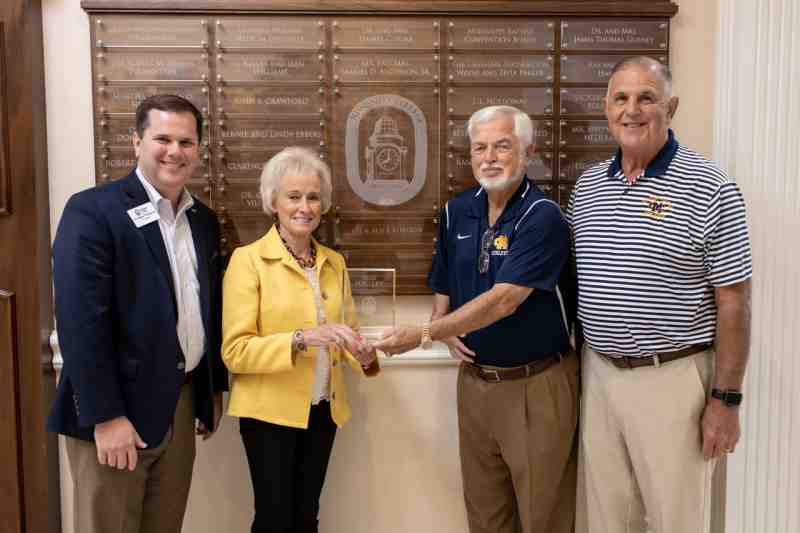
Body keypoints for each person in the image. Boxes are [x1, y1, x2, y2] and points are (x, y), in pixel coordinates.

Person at [567, 56, 753, 533]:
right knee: (607, 520)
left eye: (647, 97)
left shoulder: (712, 186)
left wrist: (725, 400)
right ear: (606, 108)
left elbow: (734, 300)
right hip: (601, 377)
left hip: (672, 380)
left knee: (677, 521)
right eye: (621, 98)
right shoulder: (587, 188)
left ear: (670, 107)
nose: (633, 110)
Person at [375, 105, 578, 533]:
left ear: (528, 151)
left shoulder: (543, 216)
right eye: (479, 148)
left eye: (502, 146)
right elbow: (445, 280)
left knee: (543, 518)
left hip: (536, 387)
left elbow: (505, 299)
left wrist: (427, 333)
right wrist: (442, 322)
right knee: (485, 518)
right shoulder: (456, 210)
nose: (489, 158)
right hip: (476, 385)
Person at [47, 94, 228, 533]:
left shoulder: (202, 220)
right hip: (116, 412)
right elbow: (80, 321)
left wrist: (210, 392)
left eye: (186, 142)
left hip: (180, 408)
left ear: (198, 150)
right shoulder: (93, 211)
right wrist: (106, 417)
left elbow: (208, 309)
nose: (174, 151)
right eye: (162, 138)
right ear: (136, 142)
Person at [222, 146, 380, 533]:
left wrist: (366, 354)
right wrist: (301, 338)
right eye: (293, 196)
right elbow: (235, 352)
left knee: (307, 517)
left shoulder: (334, 262)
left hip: (322, 411)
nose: (304, 207)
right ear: (272, 201)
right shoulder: (248, 261)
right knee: (275, 520)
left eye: (313, 197)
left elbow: (351, 337)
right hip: (268, 415)